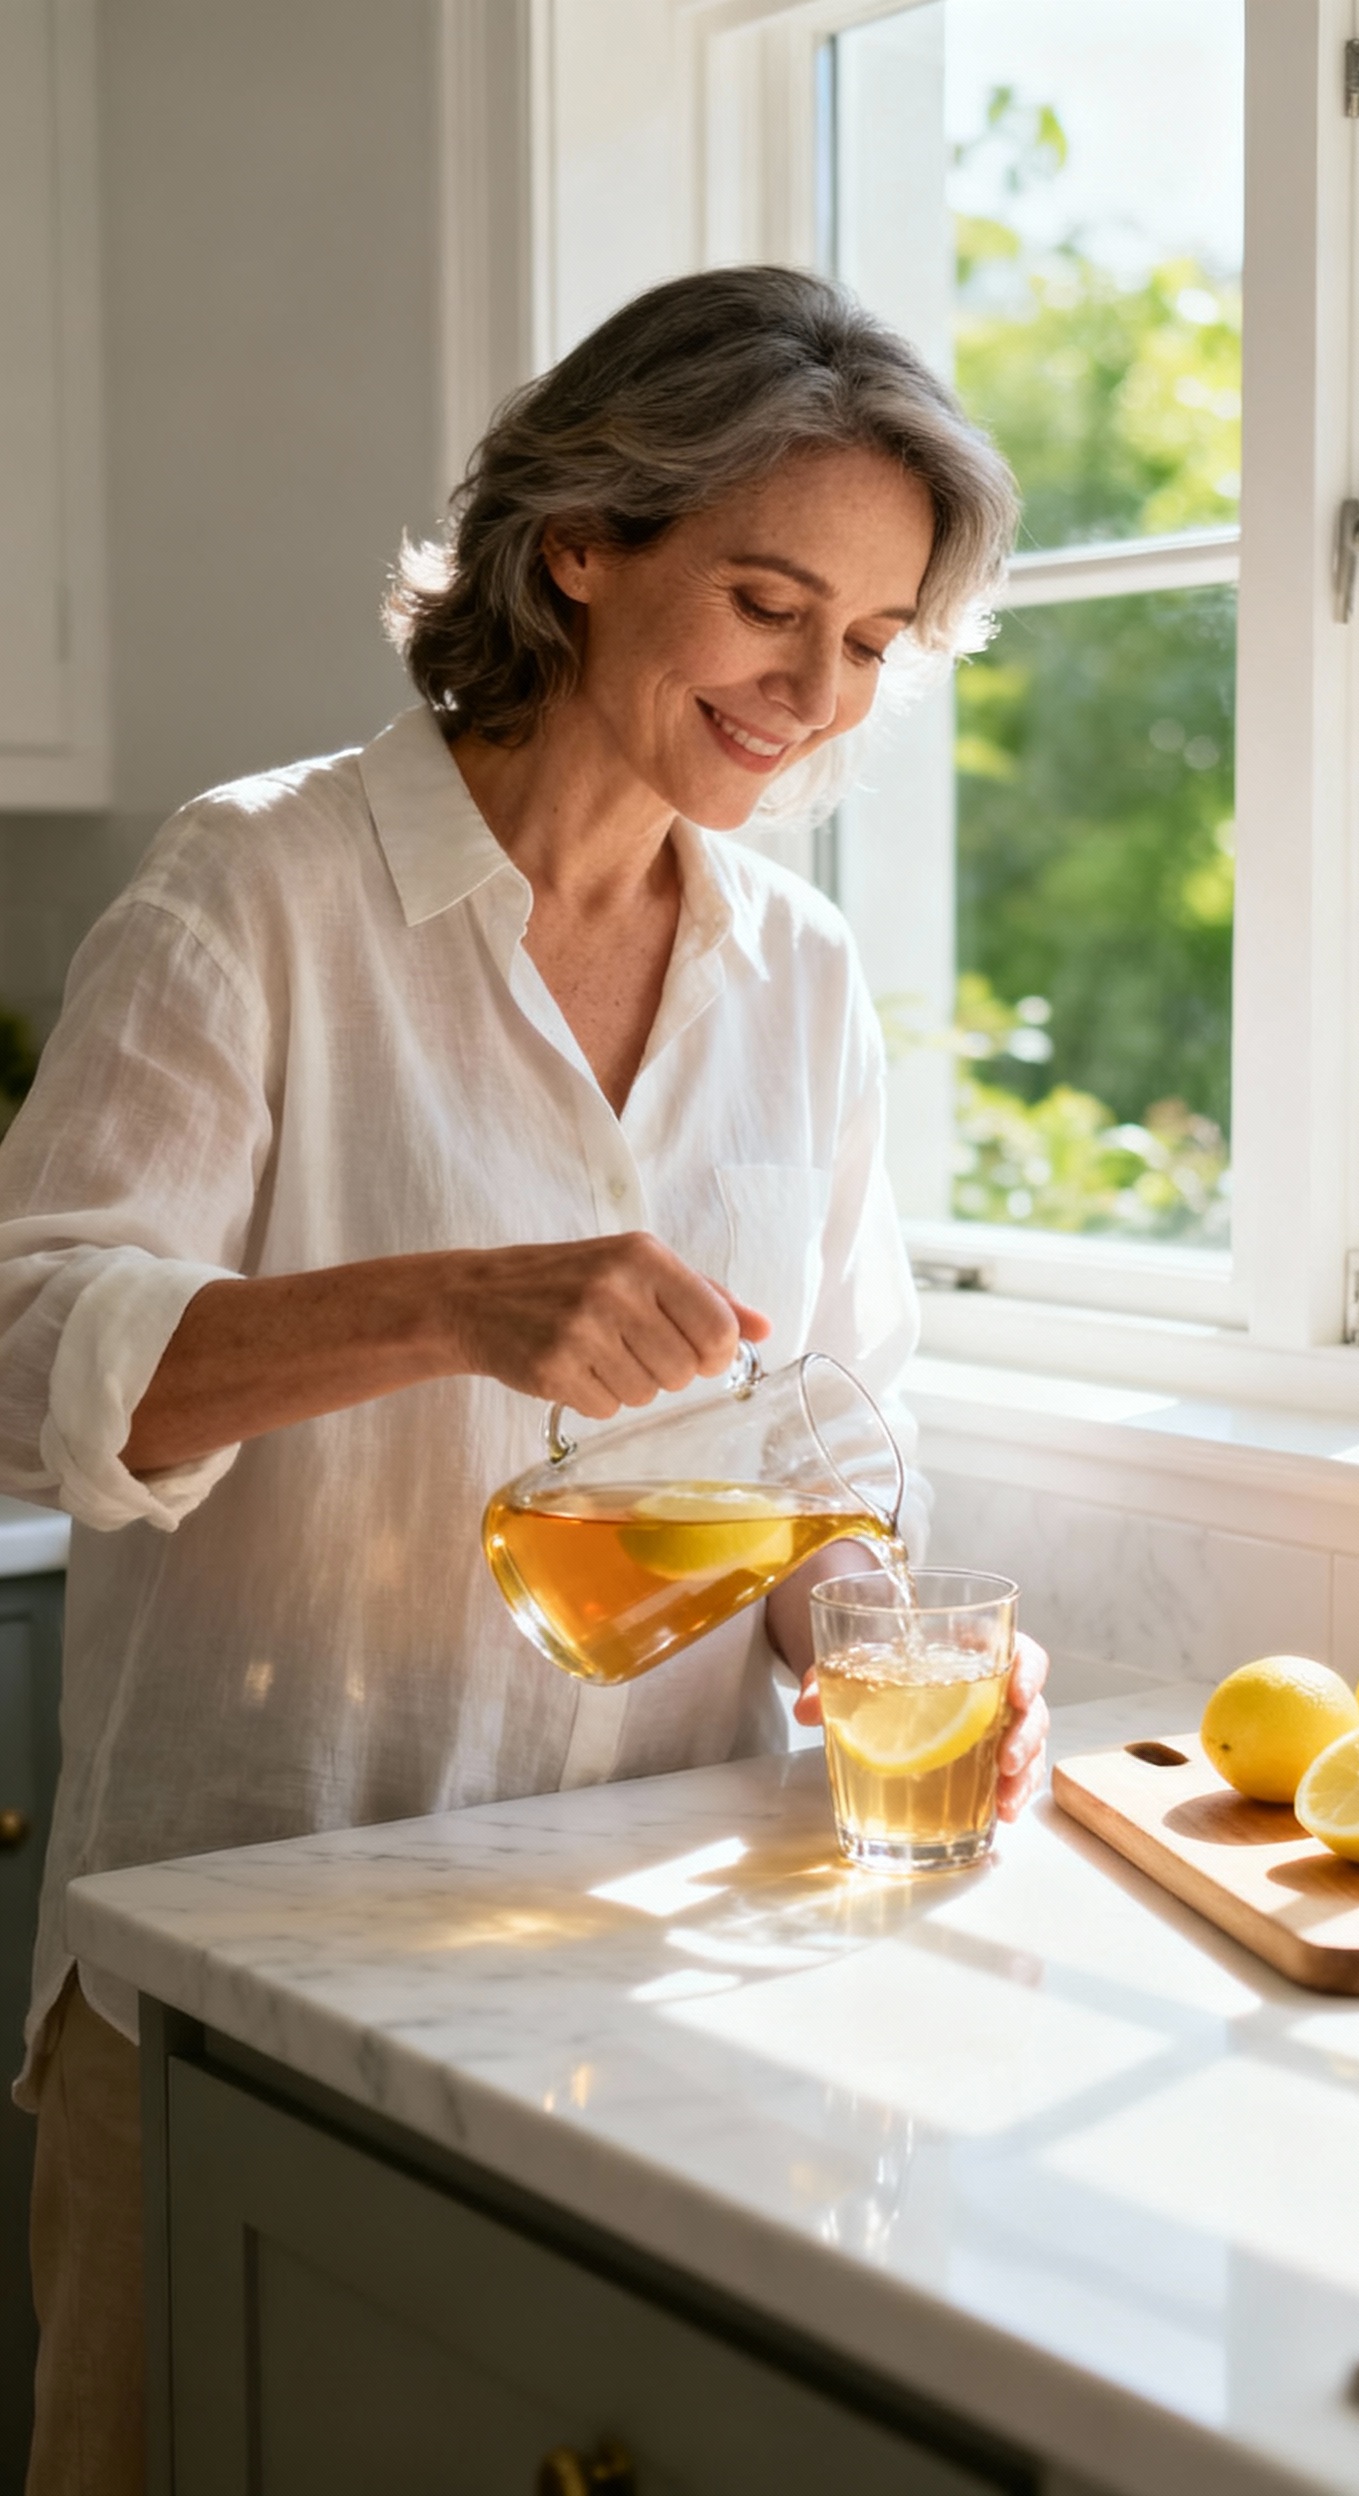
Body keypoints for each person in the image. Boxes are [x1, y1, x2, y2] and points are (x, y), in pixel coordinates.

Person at [0, 263, 1050, 2493]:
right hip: (235, 1952)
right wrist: (451, 1302)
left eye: (869, 644)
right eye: (770, 602)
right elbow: (26, 1365)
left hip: (631, 1973)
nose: (814, 692)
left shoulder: (802, 975)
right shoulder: (250, 891)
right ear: (580, 541)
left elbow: (837, 1431)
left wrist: (876, 1646)